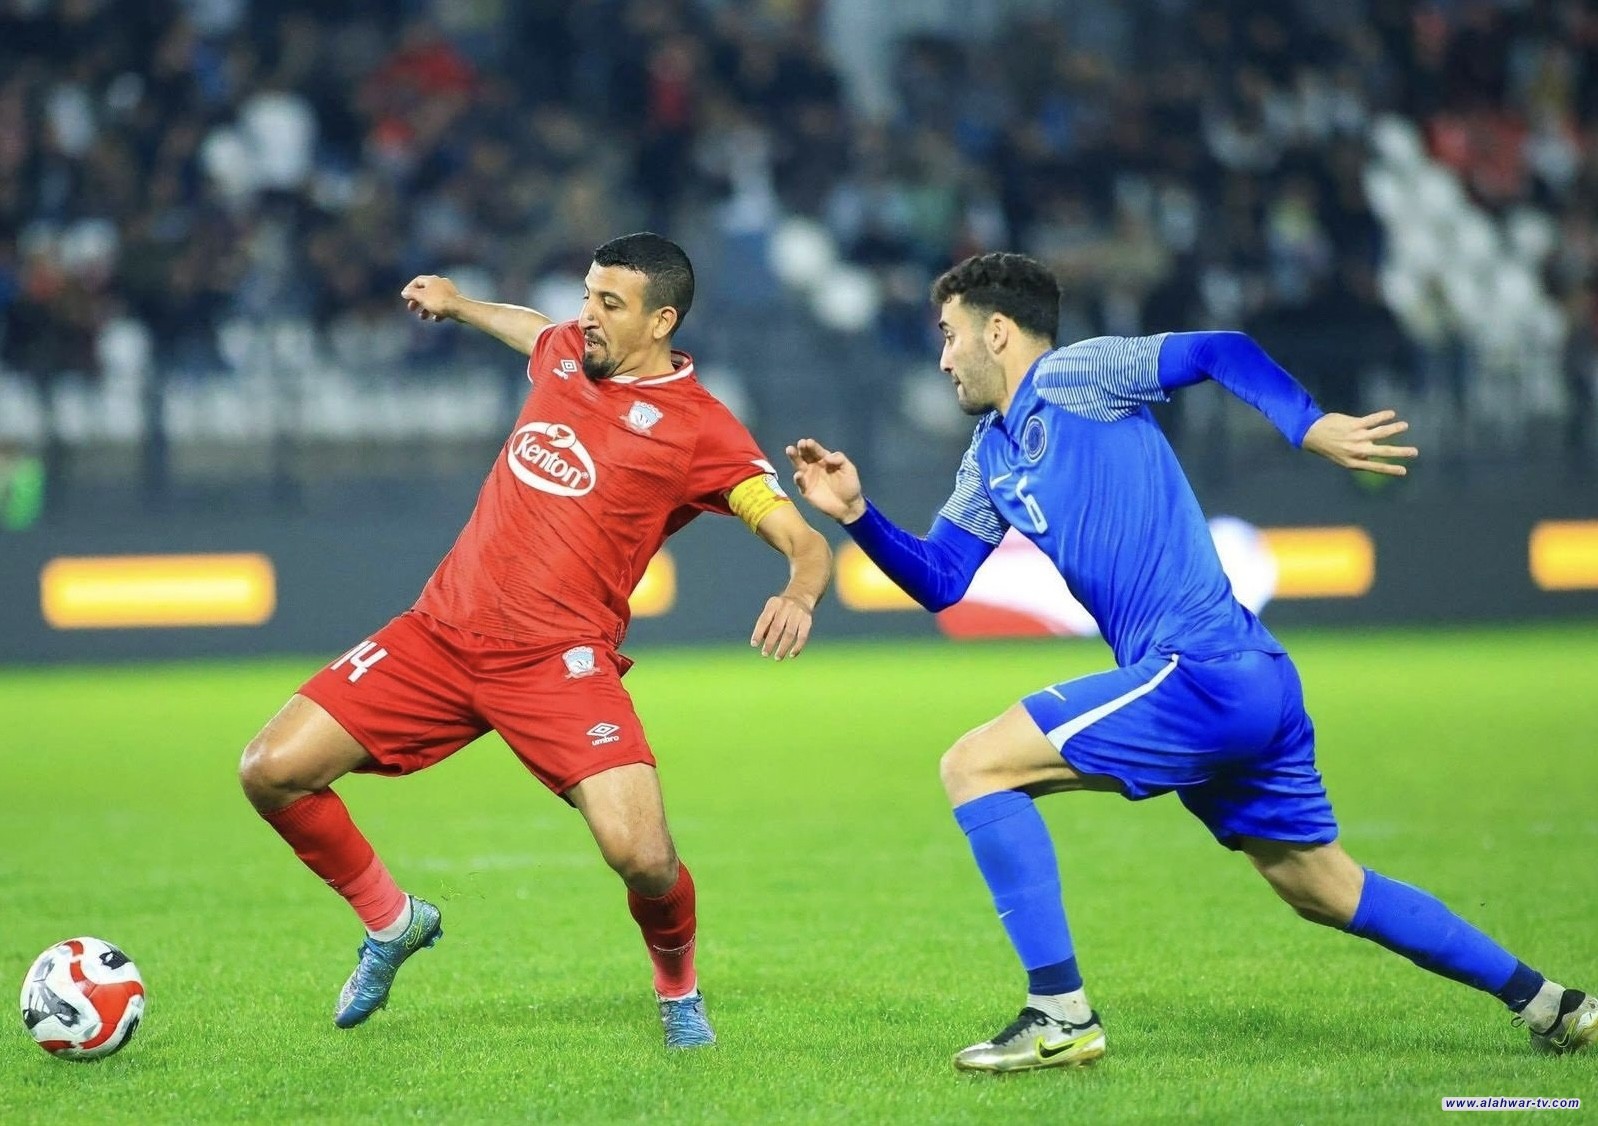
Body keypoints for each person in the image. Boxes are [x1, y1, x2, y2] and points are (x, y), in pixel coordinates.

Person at [786, 251, 1595, 1072]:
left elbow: (1218, 350)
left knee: (974, 766)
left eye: (951, 335)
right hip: (1242, 675)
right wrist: (857, 513)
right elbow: (942, 581)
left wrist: (1307, 424)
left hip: (1199, 667)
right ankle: (1553, 1004)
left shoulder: (1077, 375)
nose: (943, 357)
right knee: (1322, 886)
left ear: (997, 330)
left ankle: (1059, 1015)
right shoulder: (989, 456)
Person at [239, 232, 832, 1049]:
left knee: (644, 858)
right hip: (439, 634)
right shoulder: (567, 352)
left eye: (608, 304)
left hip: (558, 663)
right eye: (587, 294)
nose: (586, 315)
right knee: (271, 772)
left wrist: (799, 592)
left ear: (662, 321)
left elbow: (803, 540)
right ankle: (392, 921)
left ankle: (678, 989)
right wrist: (456, 306)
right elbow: (531, 328)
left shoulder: (702, 431)